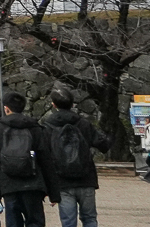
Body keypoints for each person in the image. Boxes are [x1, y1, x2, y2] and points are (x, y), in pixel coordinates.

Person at [0, 91, 59, 227]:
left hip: (8, 184)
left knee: (13, 222)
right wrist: (53, 192)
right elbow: (46, 160)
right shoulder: (34, 127)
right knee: (35, 221)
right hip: (33, 183)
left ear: (6, 108)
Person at [40, 89, 106, 227]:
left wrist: (48, 186)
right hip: (86, 178)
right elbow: (103, 144)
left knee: (68, 222)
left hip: (62, 180)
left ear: (54, 105)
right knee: (89, 219)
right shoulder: (83, 123)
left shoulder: (47, 126)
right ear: (72, 104)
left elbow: (44, 156)